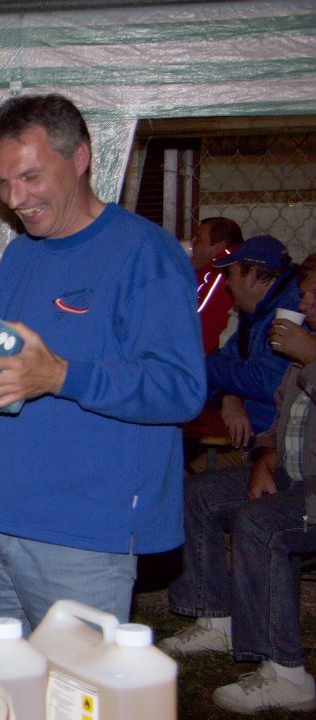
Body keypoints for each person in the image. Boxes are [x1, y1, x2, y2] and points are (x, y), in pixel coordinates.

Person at [0, 94, 205, 632]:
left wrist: (61, 375)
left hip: (82, 538)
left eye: (30, 177)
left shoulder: (144, 253)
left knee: (71, 684)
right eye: (3, 182)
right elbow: (12, 376)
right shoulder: (20, 255)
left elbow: (181, 389)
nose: (14, 198)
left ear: (80, 158)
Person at [158, 252, 316, 715]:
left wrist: (311, 358)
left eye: (313, 295)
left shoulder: (306, 350)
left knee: (260, 524)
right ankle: (215, 619)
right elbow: (281, 420)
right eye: (304, 293)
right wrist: (265, 457)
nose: (304, 303)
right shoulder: (304, 347)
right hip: (290, 473)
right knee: (198, 494)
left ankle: (288, 674)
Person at [205, 234, 299, 448]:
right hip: (257, 439)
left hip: (276, 447)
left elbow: (266, 382)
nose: (227, 284)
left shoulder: (291, 311)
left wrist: (206, 364)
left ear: (253, 275)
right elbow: (225, 363)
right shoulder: (258, 313)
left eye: (230, 274)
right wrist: (228, 397)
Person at [189, 216, 244, 355]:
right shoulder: (213, 268)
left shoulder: (222, 270)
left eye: (198, 239)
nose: (192, 244)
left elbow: (196, 323)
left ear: (219, 247)